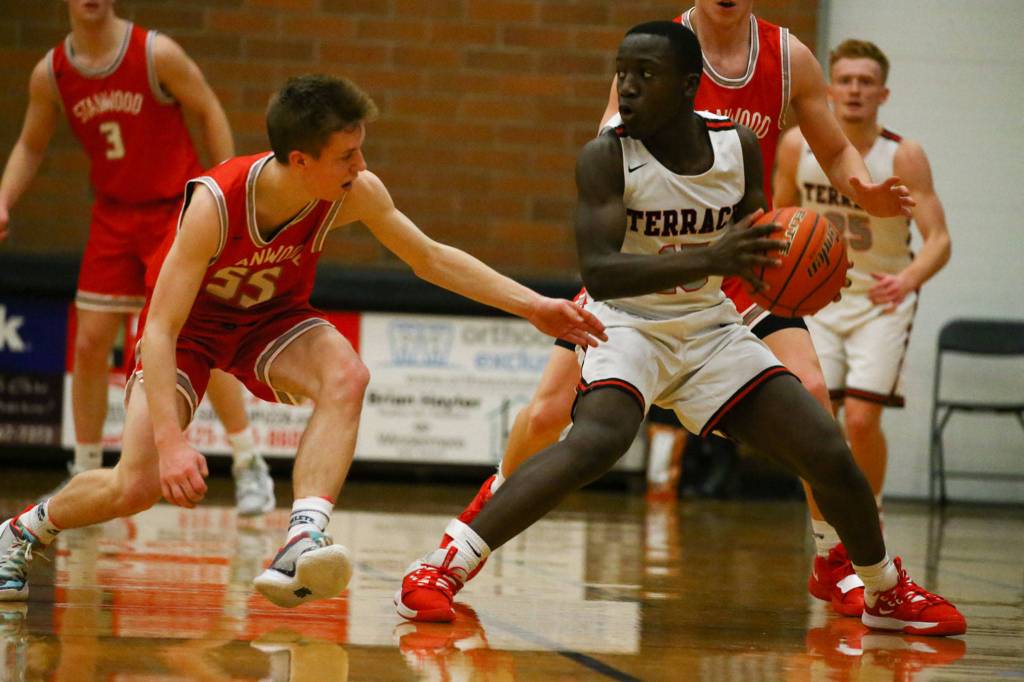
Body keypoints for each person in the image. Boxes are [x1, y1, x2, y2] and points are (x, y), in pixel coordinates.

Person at [396, 21, 965, 638]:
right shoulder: (606, 156)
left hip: (708, 327)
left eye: (646, 75)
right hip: (629, 326)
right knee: (593, 442)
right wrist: (710, 259)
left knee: (825, 446)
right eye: (624, 73)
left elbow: (758, 242)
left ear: (690, 85)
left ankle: (881, 588)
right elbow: (602, 273)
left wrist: (807, 265)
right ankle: (440, 568)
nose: (629, 88)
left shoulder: (738, 147)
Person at [0, 74, 607, 608]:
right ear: (301, 159)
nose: (360, 167)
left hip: (270, 319)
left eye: (360, 150)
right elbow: (158, 328)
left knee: (348, 375)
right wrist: (173, 440)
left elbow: (428, 257)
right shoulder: (215, 203)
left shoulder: (352, 192)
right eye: (346, 155)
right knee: (133, 486)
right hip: (188, 332)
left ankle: (303, 536)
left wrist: (534, 306)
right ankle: (22, 531)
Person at [0, 0, 274, 515]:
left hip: (177, 208)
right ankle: (82, 474)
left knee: (192, 336)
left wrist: (225, 191)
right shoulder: (51, 73)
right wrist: (4, 198)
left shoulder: (155, 53)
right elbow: (31, 145)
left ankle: (247, 460)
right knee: (89, 341)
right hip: (113, 215)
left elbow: (208, 107)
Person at [774, 39, 950, 519]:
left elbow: (939, 240)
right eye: (846, 80)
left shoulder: (904, 156)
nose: (854, 90)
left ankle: (868, 519)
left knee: (861, 419)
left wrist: (908, 279)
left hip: (881, 298)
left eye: (866, 82)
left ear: (883, 94)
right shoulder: (797, 146)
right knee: (818, 423)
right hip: (818, 301)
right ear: (829, 88)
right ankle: (827, 537)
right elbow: (776, 217)